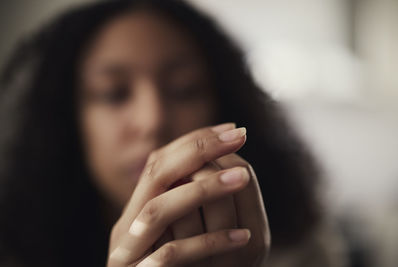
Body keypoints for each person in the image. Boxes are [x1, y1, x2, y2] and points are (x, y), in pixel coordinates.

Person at [0, 0, 345, 266]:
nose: (153, 120)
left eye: (185, 89)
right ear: (66, 118)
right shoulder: (14, 249)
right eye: (114, 93)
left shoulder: (299, 246)